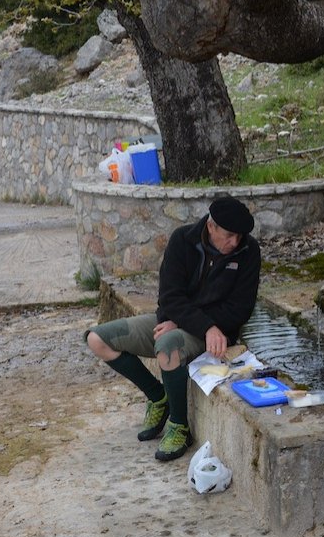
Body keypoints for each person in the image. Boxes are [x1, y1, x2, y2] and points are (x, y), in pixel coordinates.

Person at [85, 195, 261, 462]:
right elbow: (169, 297)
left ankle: (179, 426)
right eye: (229, 235)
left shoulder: (249, 251)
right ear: (211, 227)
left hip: (213, 332)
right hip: (177, 322)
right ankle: (158, 398)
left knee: (168, 348)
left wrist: (204, 326)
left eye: (239, 236)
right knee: (98, 339)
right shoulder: (183, 240)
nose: (234, 242)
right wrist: (189, 322)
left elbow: (240, 309)